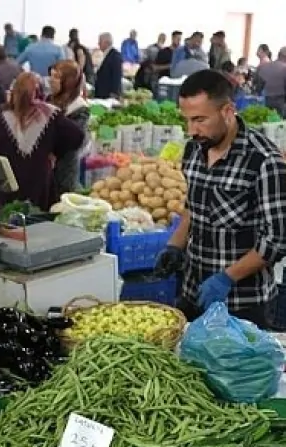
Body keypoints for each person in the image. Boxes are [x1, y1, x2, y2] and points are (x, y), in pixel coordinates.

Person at [155, 70, 286, 328]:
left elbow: (277, 240)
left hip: (243, 305)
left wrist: (226, 278)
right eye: (187, 120)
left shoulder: (264, 161)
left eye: (200, 119)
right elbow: (193, 206)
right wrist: (175, 245)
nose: (192, 130)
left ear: (228, 111)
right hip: (194, 293)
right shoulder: (194, 149)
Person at [0, 72, 85, 210]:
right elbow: (77, 136)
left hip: (8, 180)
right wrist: (56, 151)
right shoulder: (49, 114)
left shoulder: (1, 114)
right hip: (39, 180)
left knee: (8, 218)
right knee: (38, 222)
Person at [48, 60, 90, 194]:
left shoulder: (79, 107)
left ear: (68, 82)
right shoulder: (50, 99)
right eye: (51, 76)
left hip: (65, 168)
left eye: (56, 77)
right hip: (46, 168)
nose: (50, 81)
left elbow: (73, 140)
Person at [257, 47, 286, 117]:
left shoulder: (266, 66)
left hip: (267, 99)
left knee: (267, 119)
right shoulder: (284, 68)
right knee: (279, 122)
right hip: (280, 100)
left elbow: (259, 84)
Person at [93, 33, 123, 99]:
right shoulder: (106, 54)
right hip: (102, 93)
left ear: (106, 42)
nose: (98, 43)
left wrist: (114, 93)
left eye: (100, 41)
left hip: (108, 95)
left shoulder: (115, 56)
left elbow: (117, 76)